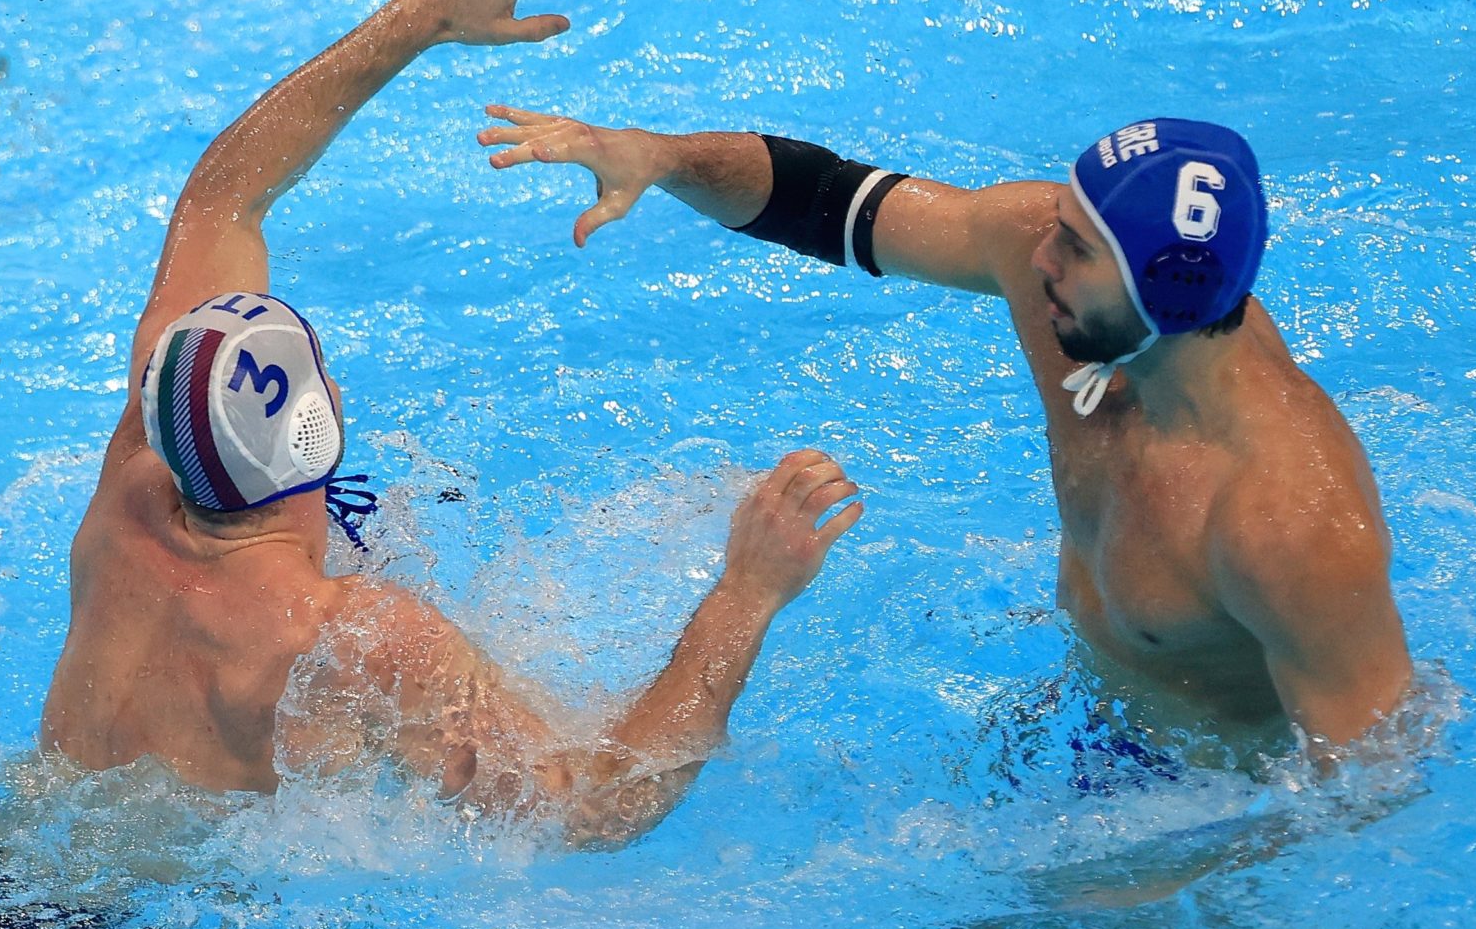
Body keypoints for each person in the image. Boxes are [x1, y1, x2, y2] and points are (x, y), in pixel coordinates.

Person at [40, 0, 866, 849]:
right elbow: (590, 811)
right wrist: (748, 591)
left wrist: (422, 17)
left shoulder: (134, 479)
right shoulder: (351, 636)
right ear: (322, 421)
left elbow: (221, 195)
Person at [480, 106, 1414, 766]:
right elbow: (832, 199)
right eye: (1062, 224)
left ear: (1163, 294)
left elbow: (1367, 789)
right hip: (1086, 716)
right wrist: (662, 157)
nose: (1037, 256)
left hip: (1204, 800)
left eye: (1078, 249)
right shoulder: (1063, 282)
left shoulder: (1284, 522)